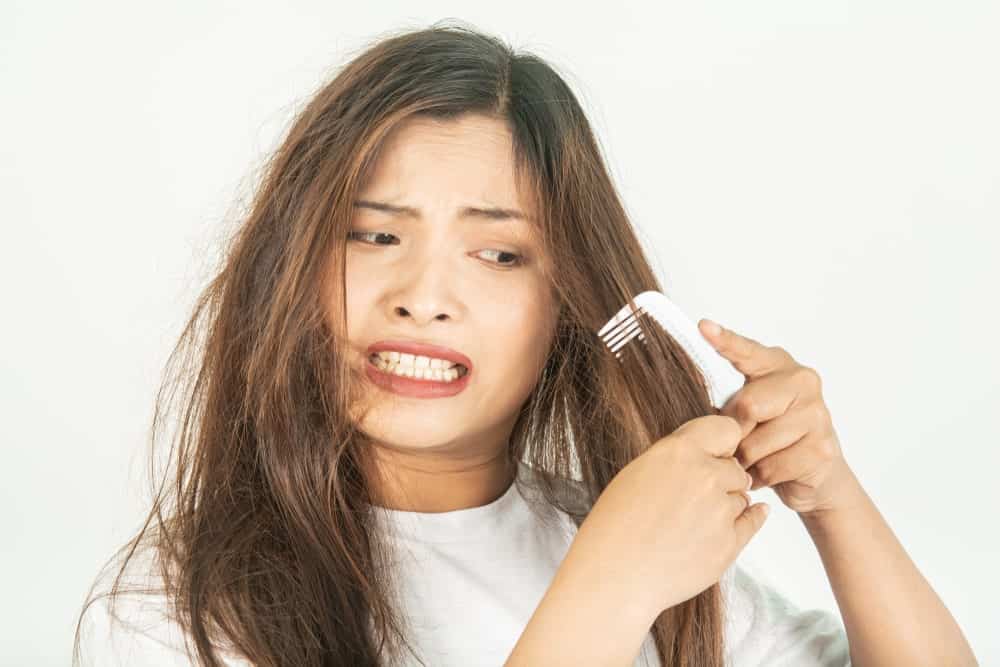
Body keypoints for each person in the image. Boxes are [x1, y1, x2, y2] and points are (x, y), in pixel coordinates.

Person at [73, 21, 976, 667]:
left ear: (567, 306)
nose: (423, 299)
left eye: (499, 253)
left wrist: (834, 500)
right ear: (293, 267)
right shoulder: (175, 607)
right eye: (374, 234)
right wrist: (607, 594)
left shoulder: (629, 539)